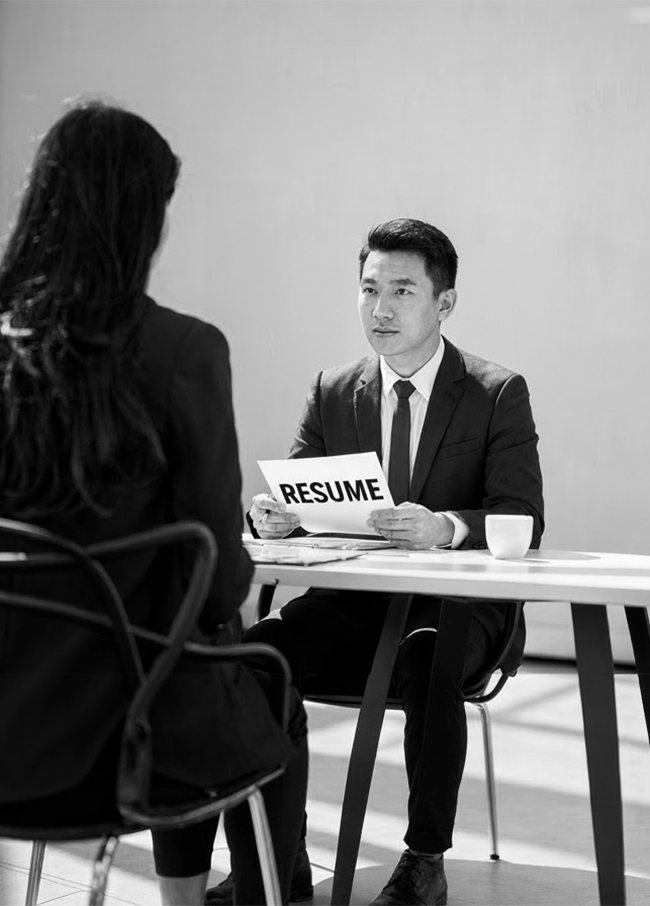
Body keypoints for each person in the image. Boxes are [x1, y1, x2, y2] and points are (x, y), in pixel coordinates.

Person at [0, 102, 307, 906]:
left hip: (8, 729)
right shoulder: (183, 351)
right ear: (142, 217)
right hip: (127, 738)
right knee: (260, 683)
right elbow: (219, 587)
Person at [209, 218, 544, 906]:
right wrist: (274, 516)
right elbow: (299, 499)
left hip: (457, 610)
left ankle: (424, 862)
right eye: (368, 289)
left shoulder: (496, 391)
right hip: (353, 606)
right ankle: (277, 856)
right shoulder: (333, 388)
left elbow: (523, 516)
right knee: (254, 660)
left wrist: (445, 527)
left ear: (444, 303)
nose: (380, 308)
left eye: (401, 291)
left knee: (428, 654)